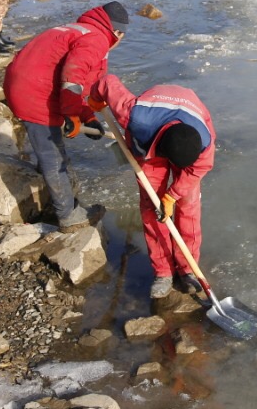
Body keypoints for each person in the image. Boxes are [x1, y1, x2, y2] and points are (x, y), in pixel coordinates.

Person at [2, 1, 131, 232]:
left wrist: (87, 116)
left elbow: (80, 81)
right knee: (53, 156)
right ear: (118, 32)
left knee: (50, 146)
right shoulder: (97, 40)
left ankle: (54, 191)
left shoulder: (81, 29)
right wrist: (71, 113)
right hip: (33, 94)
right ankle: (68, 215)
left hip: (23, 84)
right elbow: (73, 77)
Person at [91, 74, 215, 299]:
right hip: (150, 137)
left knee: (188, 205)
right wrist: (95, 99)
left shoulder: (204, 142)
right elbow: (106, 82)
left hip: (188, 116)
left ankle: (187, 268)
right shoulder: (135, 116)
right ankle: (163, 272)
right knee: (153, 208)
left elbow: (198, 169)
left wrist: (173, 195)